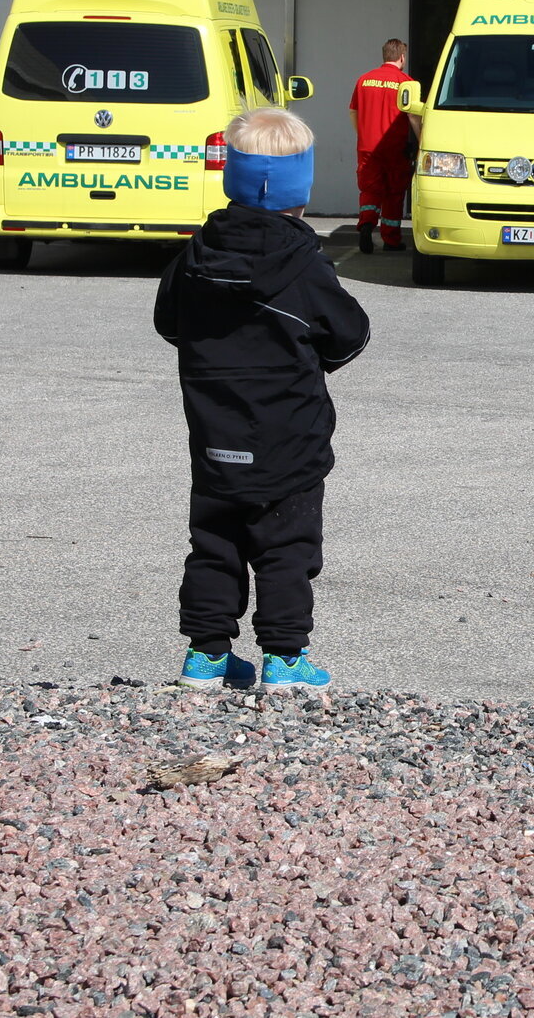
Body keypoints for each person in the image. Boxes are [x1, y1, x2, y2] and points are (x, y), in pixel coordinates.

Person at [154, 107, 372, 694]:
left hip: (214, 430)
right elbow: (348, 335)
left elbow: (168, 323)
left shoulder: (196, 258)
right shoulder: (302, 266)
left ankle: (205, 653)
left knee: (215, 539)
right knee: (286, 543)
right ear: (300, 188)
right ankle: (284, 655)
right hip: (289, 437)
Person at [349, 39, 421, 254]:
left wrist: (362, 134)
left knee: (369, 189)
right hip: (394, 147)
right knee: (394, 193)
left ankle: (367, 224)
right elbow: (413, 117)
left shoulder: (364, 80)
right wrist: (421, 143)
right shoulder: (407, 83)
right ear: (402, 57)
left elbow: (353, 111)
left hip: (367, 146)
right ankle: (391, 239)